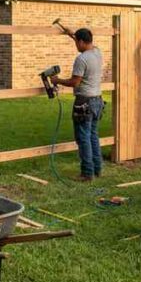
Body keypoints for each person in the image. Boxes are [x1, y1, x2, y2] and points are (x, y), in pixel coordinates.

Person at [51, 26, 104, 182]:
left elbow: (75, 82)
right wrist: (71, 34)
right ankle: (97, 168)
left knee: (83, 138)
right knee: (93, 135)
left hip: (84, 102)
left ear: (81, 41)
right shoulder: (97, 52)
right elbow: (84, 43)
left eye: (76, 42)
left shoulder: (81, 59)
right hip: (97, 100)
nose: (75, 45)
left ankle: (87, 173)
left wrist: (57, 80)